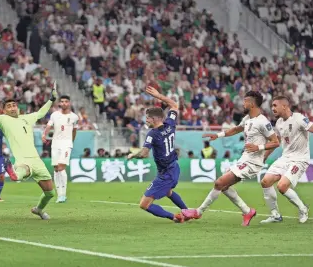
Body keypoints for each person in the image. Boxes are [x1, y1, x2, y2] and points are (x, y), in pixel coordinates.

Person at [182, 91, 280, 226]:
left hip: (252, 162)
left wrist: (259, 148)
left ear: (251, 104)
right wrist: (218, 135)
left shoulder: (263, 122)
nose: (242, 104)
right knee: (224, 186)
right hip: (244, 159)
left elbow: (275, 142)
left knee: (219, 183)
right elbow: (235, 130)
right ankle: (247, 211)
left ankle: (198, 212)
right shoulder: (247, 119)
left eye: (245, 101)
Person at [0, 87, 58, 220]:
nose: (12, 108)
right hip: (23, 160)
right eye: (9, 106)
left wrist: (52, 99)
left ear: (18, 108)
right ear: (4, 110)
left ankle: (38, 210)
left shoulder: (27, 118)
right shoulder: (3, 119)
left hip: (37, 160)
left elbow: (40, 112)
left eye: (14, 105)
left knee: (50, 193)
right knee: (23, 171)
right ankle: (14, 174)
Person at [127, 86, 187, 223]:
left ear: (154, 119)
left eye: (147, 118)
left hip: (166, 174)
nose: (146, 120)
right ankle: (187, 211)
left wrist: (133, 155)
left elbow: (144, 154)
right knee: (168, 192)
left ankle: (175, 217)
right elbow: (174, 105)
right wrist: (159, 95)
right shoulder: (170, 124)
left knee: (144, 204)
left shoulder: (152, 134)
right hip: (173, 168)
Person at [260, 96, 312, 224]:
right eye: (272, 106)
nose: (272, 108)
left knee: (282, 186)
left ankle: (303, 208)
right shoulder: (279, 123)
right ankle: (275, 214)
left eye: (275, 105)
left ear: (284, 106)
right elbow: (275, 142)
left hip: (299, 159)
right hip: (285, 158)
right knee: (265, 182)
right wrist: (265, 156)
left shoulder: (299, 118)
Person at [42, 95, 78, 203]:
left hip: (66, 144)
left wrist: (71, 142)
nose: (64, 103)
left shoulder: (74, 117)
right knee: (56, 168)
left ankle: (63, 194)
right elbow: (49, 126)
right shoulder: (54, 115)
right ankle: (59, 194)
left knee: (61, 166)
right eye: (62, 102)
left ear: (69, 103)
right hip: (55, 144)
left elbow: (74, 130)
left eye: (66, 101)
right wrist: (44, 134)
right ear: (59, 103)